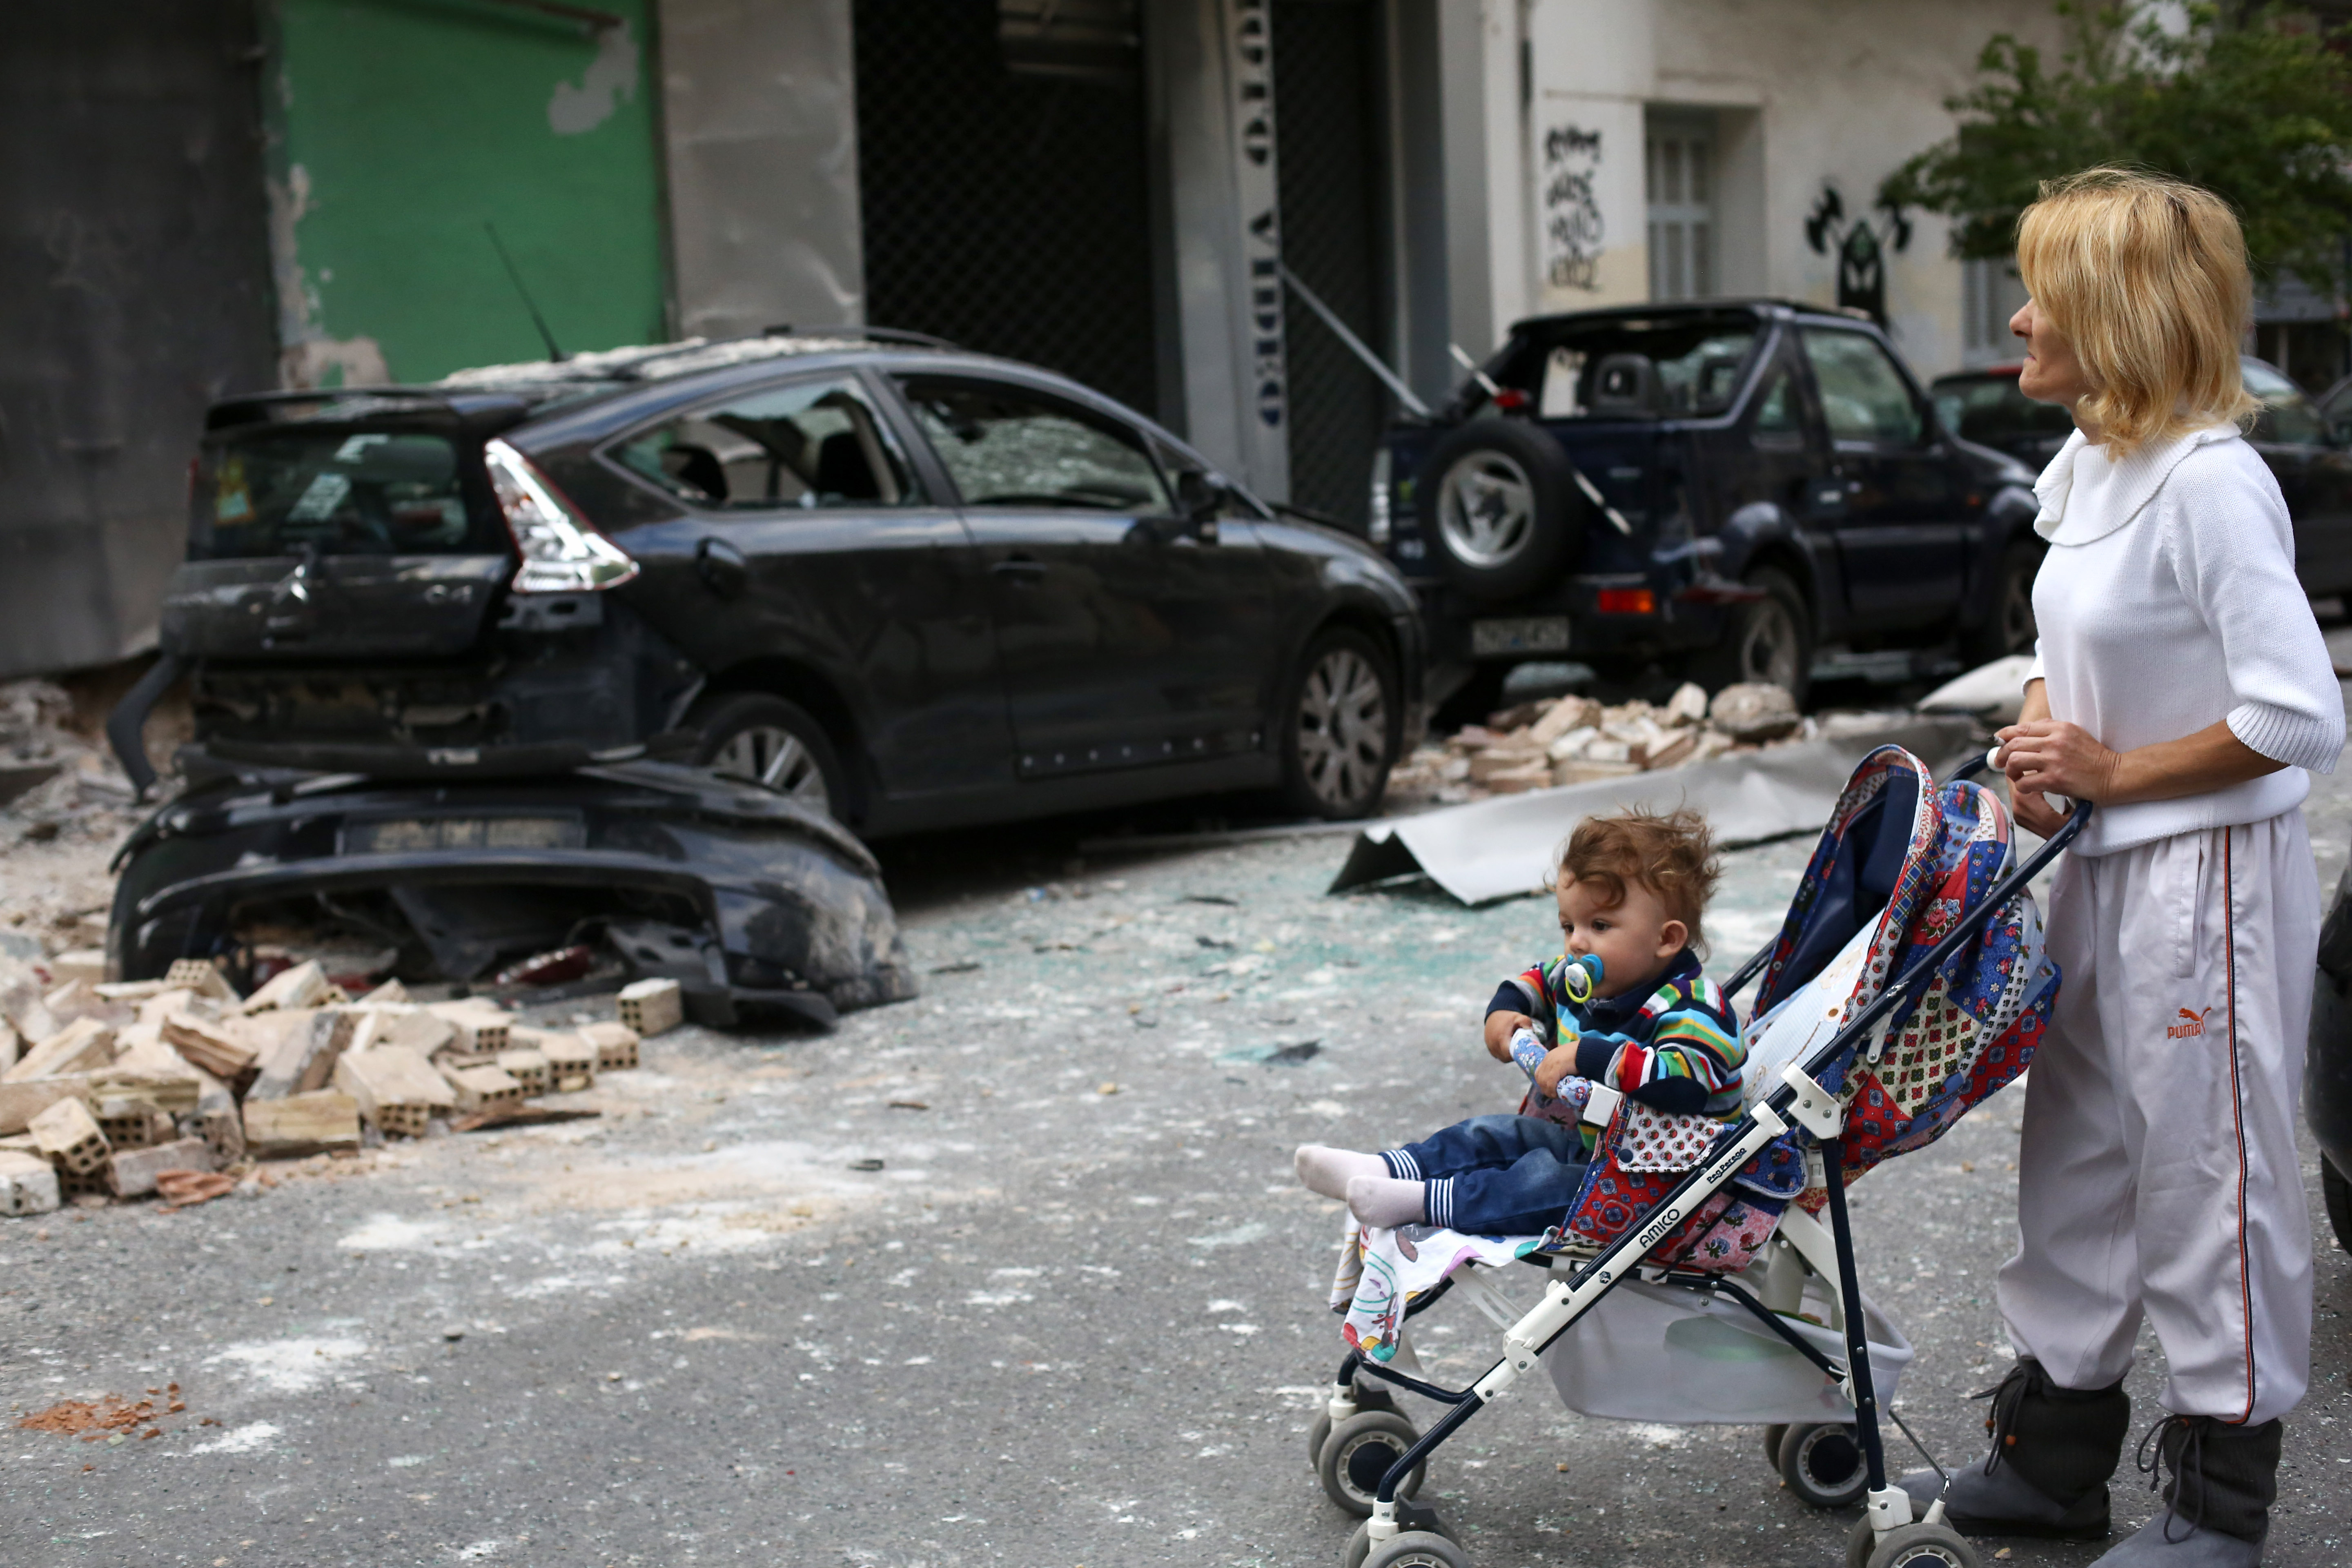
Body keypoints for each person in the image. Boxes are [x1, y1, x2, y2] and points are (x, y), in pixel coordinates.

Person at [1896, 169, 2342, 1568]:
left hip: (2206, 889)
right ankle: (2055, 1458)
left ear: (2126, 315)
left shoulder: (2215, 485)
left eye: (2048, 296)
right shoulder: (2091, 463)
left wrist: (2114, 774)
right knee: (2076, 1159)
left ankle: (2220, 1502)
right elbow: (2079, 649)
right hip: (2094, 874)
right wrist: (2043, 730)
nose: (2020, 316)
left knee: (2210, 1182)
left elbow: (2296, 714)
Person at [1294, 807, 1742, 1234]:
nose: (1577, 944)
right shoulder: (1588, 977)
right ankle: (1386, 1168)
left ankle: (1422, 1202)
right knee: (1492, 1134)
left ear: (1666, 939)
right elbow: (1538, 981)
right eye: (1569, 926)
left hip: (1665, 1182)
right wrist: (1507, 1013)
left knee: (1539, 1185)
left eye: (1600, 926)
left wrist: (1587, 1056)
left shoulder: (1693, 1007)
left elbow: (1684, 1084)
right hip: (1597, 1146)